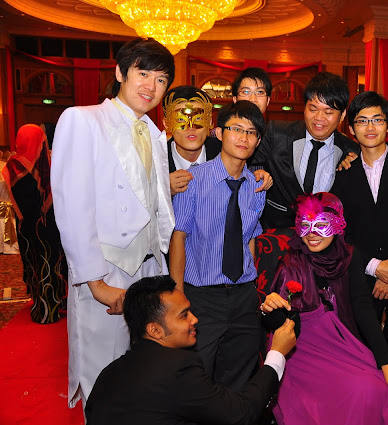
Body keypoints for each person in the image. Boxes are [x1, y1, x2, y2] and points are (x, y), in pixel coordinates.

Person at [51, 38, 175, 409]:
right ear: (120, 72)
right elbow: (73, 207)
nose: (151, 86)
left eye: (161, 79)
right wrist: (95, 282)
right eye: (143, 73)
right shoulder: (83, 120)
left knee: (140, 378)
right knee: (103, 380)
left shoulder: (154, 132)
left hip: (148, 273)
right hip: (107, 271)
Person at [260, 192, 388, 425]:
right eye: (305, 225)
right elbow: (282, 325)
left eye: (321, 225)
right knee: (349, 394)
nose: (312, 234)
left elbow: (363, 308)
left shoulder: (349, 257)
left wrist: (386, 363)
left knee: (380, 389)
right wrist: (270, 309)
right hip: (299, 350)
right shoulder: (290, 263)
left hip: (342, 343)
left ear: (338, 225)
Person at [85, 275, 297, 425]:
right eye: (184, 315)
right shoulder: (178, 368)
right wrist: (277, 354)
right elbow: (241, 414)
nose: (195, 319)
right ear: (155, 330)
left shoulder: (108, 374)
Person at [169, 101, 266, 391]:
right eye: (236, 129)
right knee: (195, 376)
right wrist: (177, 295)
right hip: (202, 296)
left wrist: (253, 287)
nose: (243, 137)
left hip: (244, 296)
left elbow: (249, 237)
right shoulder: (193, 180)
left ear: (258, 141)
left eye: (251, 132)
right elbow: (178, 237)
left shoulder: (257, 186)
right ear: (219, 133)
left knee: (239, 376)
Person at [331, 91, 388, 361]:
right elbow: (341, 230)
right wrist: (374, 266)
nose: (370, 127)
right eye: (362, 121)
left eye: (377, 120)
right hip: (362, 277)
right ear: (351, 128)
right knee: (362, 355)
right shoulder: (342, 173)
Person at [251, 71, 358, 229]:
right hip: (277, 233)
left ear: (342, 115)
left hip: (324, 237)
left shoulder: (351, 151)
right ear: (304, 108)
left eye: (328, 112)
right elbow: (245, 162)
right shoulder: (277, 134)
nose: (319, 118)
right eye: (313, 109)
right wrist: (257, 173)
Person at [2, 124, 67, 324]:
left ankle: (41, 307)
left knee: (34, 262)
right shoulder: (49, 166)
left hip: (25, 225)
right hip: (47, 224)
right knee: (49, 262)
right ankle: (51, 308)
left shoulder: (11, 166)